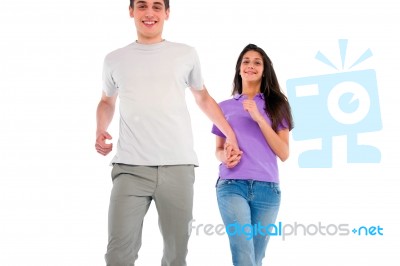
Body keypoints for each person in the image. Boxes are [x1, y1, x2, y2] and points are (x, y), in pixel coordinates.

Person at [95, 1, 240, 265]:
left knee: (176, 255)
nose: (149, 13)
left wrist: (229, 133)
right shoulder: (114, 59)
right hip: (130, 167)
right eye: (141, 6)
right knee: (117, 254)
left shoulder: (185, 54)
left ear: (167, 13)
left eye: (156, 7)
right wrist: (100, 129)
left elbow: (203, 98)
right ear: (131, 12)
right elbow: (107, 101)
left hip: (178, 166)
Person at [211, 44, 294, 266]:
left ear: (265, 70)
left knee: (256, 257)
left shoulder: (278, 106)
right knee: (243, 251)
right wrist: (224, 157)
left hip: (267, 189)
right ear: (239, 69)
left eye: (257, 62)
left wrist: (259, 118)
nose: (251, 66)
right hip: (231, 185)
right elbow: (218, 149)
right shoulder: (223, 107)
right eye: (246, 61)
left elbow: (284, 153)